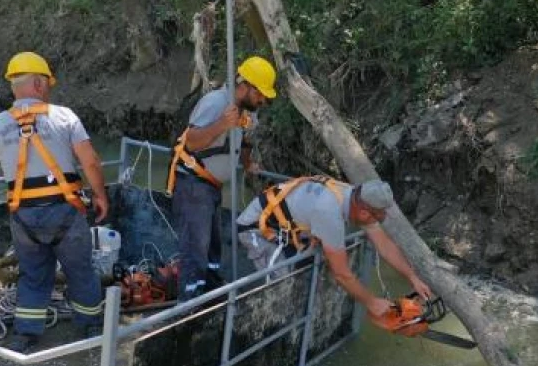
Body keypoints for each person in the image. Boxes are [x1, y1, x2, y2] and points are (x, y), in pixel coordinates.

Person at [0, 51, 110, 352]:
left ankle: (26, 334)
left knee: (33, 276)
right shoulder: (65, 117)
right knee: (80, 271)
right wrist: (100, 196)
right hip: (66, 213)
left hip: (24, 218)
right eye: (48, 84)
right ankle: (92, 329)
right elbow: (91, 162)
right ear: (40, 84)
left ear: (14, 87)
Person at [236, 176, 433, 320]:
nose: (378, 221)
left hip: (291, 229)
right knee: (280, 287)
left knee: (305, 273)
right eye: (378, 216)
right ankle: (258, 325)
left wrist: (412, 277)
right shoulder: (329, 212)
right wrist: (372, 303)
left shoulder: (354, 196)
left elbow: (385, 245)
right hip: (258, 230)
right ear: (364, 213)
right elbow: (342, 275)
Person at [166, 56, 276, 300]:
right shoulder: (216, 103)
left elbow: (245, 139)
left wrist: (247, 164)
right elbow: (192, 140)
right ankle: (188, 306)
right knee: (195, 248)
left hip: (212, 187)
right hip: (194, 184)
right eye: (260, 94)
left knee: (212, 246)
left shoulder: (247, 110)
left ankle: (212, 290)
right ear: (244, 85)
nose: (263, 100)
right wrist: (221, 125)